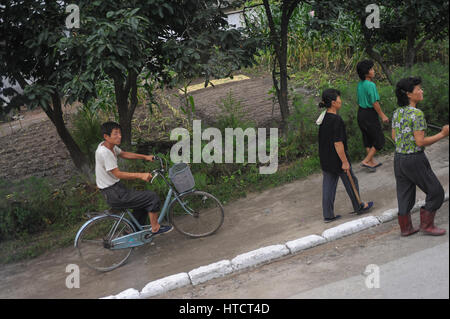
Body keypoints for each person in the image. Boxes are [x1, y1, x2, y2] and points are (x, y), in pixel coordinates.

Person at [392, 77, 449, 236]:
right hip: (414, 159)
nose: (421, 91)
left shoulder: (397, 113)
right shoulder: (417, 114)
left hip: (399, 159)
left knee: (404, 194)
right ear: (409, 94)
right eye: (418, 89)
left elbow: (394, 136)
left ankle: (406, 228)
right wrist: (443, 134)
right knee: (436, 191)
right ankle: (427, 225)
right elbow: (421, 142)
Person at [95, 121, 172, 236]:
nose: (119, 136)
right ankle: (155, 228)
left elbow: (124, 154)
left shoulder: (108, 146)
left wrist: (145, 157)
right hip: (114, 193)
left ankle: (131, 231)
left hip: (115, 189)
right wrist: (141, 175)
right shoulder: (105, 153)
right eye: (115, 134)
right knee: (152, 198)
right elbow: (118, 174)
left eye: (120, 133)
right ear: (106, 136)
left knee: (142, 202)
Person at [317, 89, 374, 223]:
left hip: (325, 158)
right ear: (333, 102)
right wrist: (344, 162)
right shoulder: (336, 120)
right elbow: (338, 143)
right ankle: (359, 206)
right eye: (338, 99)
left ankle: (328, 215)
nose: (340, 101)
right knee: (351, 181)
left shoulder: (323, 117)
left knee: (328, 186)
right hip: (337, 158)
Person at [356, 60, 389, 172]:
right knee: (379, 140)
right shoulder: (370, 85)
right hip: (369, 114)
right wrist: (382, 115)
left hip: (361, 113)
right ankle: (366, 160)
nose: (373, 71)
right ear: (366, 72)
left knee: (367, 138)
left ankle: (371, 162)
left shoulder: (360, 84)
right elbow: (374, 102)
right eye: (371, 69)